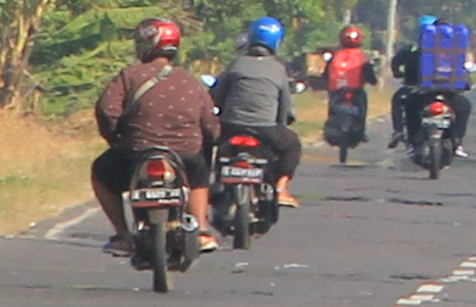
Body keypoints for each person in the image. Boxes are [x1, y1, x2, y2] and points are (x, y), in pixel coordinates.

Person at [90, 17, 215, 246]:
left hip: (135, 153)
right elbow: (210, 123)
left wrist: (116, 138)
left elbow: (107, 111)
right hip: (184, 155)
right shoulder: (189, 80)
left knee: (101, 171)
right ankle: (202, 232)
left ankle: (123, 234)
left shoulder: (129, 76)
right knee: (199, 177)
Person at [212, 16, 305, 207]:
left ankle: (205, 183)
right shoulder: (278, 69)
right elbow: (285, 107)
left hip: (231, 127)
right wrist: (282, 122)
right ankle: (281, 188)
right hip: (266, 128)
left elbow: (217, 97)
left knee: (204, 142)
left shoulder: (236, 64)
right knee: (293, 145)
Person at [391, 15, 475, 156]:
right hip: (450, 94)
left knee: (410, 107)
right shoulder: (455, 52)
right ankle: (458, 142)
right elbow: (465, 77)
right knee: (465, 107)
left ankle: (411, 143)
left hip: (425, 93)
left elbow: (407, 73)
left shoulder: (419, 52)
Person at [320, 24, 375, 162]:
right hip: (356, 91)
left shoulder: (335, 56)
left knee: (332, 108)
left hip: (336, 92)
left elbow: (325, 76)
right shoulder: (363, 57)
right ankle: (362, 131)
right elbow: (371, 77)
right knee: (362, 108)